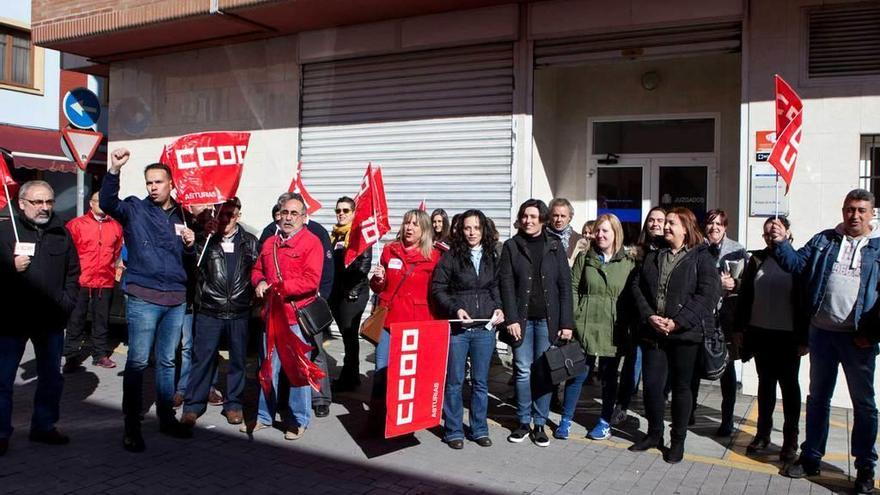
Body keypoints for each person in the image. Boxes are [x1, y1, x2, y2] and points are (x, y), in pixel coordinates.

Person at [772, 189, 880, 493]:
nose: (854, 215)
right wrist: (781, 242)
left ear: (872, 213)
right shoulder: (825, 239)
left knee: (864, 404)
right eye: (849, 209)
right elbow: (795, 265)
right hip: (822, 333)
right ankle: (811, 457)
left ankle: (865, 468)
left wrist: (871, 334)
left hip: (859, 340)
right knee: (818, 398)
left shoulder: (878, 247)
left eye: (861, 210)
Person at [100, 148, 196, 452]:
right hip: (143, 296)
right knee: (139, 361)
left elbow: (189, 260)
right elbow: (107, 203)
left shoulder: (182, 214)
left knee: (168, 362)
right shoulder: (134, 209)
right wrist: (114, 170)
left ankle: (167, 419)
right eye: (149, 183)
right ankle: (131, 425)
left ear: (171, 184)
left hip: (175, 299)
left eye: (158, 182)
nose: (152, 187)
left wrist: (192, 245)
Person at [629, 207, 720, 464]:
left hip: (684, 335)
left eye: (671, 223)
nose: (665, 227)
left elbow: (707, 295)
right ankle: (654, 434)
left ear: (685, 228)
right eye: (665, 223)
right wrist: (649, 316)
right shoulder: (654, 255)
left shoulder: (701, 257)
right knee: (653, 388)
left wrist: (678, 322)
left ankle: (677, 441)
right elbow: (637, 287)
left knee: (681, 389)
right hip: (654, 332)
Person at [0, 180, 79, 456]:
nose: (45, 208)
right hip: (12, 318)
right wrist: (10, 266)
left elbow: (73, 272)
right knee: (3, 379)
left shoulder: (61, 231)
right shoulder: (4, 228)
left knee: (50, 378)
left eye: (49, 202)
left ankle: (44, 427)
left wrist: (66, 303)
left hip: (50, 319)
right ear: (21, 203)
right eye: (38, 202)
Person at [248, 192, 323, 440]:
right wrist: (258, 281)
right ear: (278, 215)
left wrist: (280, 287)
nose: (288, 218)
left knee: (298, 372)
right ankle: (263, 416)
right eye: (284, 213)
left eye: (294, 213)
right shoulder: (269, 243)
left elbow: (311, 280)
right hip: (270, 317)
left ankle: (298, 420)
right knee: (268, 368)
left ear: (303, 217)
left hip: (295, 319)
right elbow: (258, 269)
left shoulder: (312, 243)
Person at [499, 199, 574, 447]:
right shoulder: (511, 246)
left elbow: (565, 286)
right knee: (522, 371)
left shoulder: (554, 246)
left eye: (533, 216)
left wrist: (567, 323)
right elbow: (506, 285)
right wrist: (511, 318)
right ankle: (522, 421)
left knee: (543, 372)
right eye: (525, 216)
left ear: (543, 220)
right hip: (520, 320)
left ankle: (539, 423)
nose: (528, 221)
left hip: (548, 321)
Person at [555, 214, 635, 441]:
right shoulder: (585, 257)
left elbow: (631, 296)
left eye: (605, 231)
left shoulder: (628, 262)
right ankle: (565, 420)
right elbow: (572, 288)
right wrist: (572, 319)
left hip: (613, 328)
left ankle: (604, 422)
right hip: (585, 324)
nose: (600, 235)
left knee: (610, 377)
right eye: (598, 231)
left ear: (615, 234)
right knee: (578, 374)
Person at [180, 198, 258, 428]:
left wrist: (255, 297)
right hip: (209, 310)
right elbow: (191, 265)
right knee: (202, 359)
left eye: (230, 215)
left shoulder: (251, 242)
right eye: (222, 214)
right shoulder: (206, 240)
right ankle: (193, 405)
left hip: (239, 311)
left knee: (237, 362)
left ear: (238, 216)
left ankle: (234, 405)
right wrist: (196, 240)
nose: (225, 219)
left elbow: (257, 273)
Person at [734, 216, 806, 462]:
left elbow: (806, 302)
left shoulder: (798, 262)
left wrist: (804, 338)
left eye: (775, 231)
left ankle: (790, 440)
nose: (770, 236)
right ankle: (762, 434)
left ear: (788, 233)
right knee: (765, 386)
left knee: (789, 388)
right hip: (760, 333)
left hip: (787, 337)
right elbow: (745, 296)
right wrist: (740, 328)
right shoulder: (756, 259)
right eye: (767, 233)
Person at [431, 209, 504, 449]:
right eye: (467, 228)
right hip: (459, 330)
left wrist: (499, 308)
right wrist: (455, 310)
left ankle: (479, 429)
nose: (472, 232)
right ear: (461, 230)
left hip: (484, 329)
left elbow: (496, 287)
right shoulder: (451, 257)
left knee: (480, 382)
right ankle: (453, 430)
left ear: (484, 230)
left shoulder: (492, 256)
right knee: (454, 381)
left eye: (476, 228)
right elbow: (438, 289)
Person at [366, 209, 442, 434]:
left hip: (416, 325)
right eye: (407, 223)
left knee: (408, 376)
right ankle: (376, 422)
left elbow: (438, 291)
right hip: (389, 321)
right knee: (382, 371)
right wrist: (377, 280)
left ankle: (404, 423)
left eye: (415, 224)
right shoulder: (390, 250)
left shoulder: (435, 255)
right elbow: (378, 287)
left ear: (425, 230)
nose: (409, 228)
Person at [693, 209, 747, 436]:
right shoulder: (697, 248)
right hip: (702, 315)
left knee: (728, 368)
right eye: (711, 223)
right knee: (695, 363)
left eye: (719, 224)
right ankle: (689, 412)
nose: (714, 228)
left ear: (726, 227)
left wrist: (735, 284)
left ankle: (727, 419)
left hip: (726, 317)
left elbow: (747, 282)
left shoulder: (737, 250)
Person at [610, 207, 666, 426]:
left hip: (662, 321)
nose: (655, 224)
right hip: (638, 319)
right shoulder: (636, 252)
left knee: (658, 373)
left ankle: (656, 409)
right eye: (651, 220)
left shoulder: (670, 250)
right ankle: (622, 405)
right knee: (632, 364)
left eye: (660, 220)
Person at [63, 190, 123, 371]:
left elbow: (117, 251)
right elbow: (67, 252)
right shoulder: (76, 224)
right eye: (98, 201)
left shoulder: (116, 226)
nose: (102, 205)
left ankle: (100, 355)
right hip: (81, 280)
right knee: (76, 320)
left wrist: (114, 270)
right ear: (91, 203)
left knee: (102, 321)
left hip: (104, 280)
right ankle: (71, 357)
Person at [329, 196, 371, 393]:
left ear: (353, 213)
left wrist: (347, 264)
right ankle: (350, 375)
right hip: (337, 291)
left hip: (353, 293)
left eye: (346, 210)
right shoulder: (336, 234)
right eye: (338, 210)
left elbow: (363, 267)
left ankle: (350, 377)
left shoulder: (358, 235)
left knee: (349, 334)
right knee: (347, 336)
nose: (341, 214)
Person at [547, 198, 584, 266]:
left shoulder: (578, 240)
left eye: (563, 216)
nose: (559, 219)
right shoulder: (540, 236)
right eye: (556, 215)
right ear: (550, 216)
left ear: (570, 217)